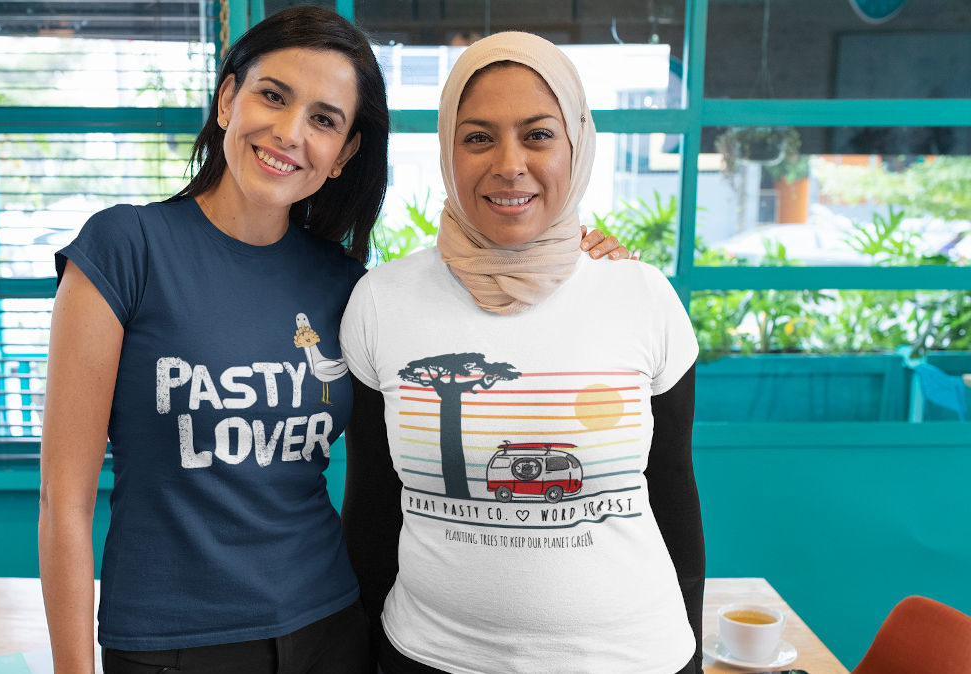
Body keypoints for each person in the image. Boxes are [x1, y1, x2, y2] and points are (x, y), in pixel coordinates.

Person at [39, 8, 631, 674]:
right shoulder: (125, 249)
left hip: (330, 629)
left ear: (345, 152)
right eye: (273, 95)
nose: (290, 133)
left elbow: (485, 331)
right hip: (170, 643)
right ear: (228, 99)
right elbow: (65, 502)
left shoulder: (348, 286)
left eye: (324, 119)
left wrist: (576, 266)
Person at [339, 31, 704, 674]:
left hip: (633, 659)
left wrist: (694, 651)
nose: (509, 163)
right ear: (448, 151)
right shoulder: (381, 301)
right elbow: (371, 504)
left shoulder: (641, 295)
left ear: (578, 143)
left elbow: (672, 487)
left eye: (538, 134)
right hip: (427, 656)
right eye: (478, 136)